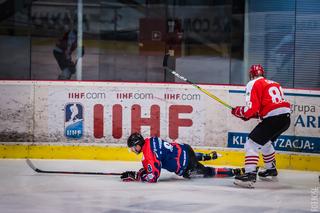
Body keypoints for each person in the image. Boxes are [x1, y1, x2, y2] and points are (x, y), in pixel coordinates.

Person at [231, 64, 291, 188]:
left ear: (251, 75)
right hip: (285, 119)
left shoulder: (252, 83)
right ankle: (271, 170)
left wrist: (239, 111)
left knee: (251, 143)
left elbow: (250, 109)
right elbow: (264, 108)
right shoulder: (274, 83)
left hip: (273, 119)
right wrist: (248, 115)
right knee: (265, 142)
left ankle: (250, 175)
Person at [120, 132, 244, 183]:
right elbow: (160, 156)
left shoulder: (148, 154)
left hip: (187, 168)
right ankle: (207, 156)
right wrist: (144, 170)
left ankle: (234, 171)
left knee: (209, 172)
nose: (133, 150)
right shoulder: (150, 140)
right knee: (177, 154)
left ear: (138, 144)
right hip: (185, 149)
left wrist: (138, 176)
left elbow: (154, 176)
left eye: (133, 147)